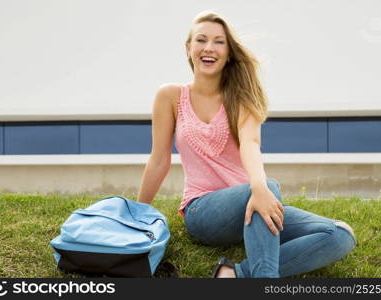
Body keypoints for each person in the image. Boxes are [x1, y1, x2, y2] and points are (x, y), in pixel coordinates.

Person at [137, 10, 356, 278]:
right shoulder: (170, 96)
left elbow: (250, 143)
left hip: (253, 202)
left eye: (219, 41)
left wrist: (259, 187)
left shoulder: (240, 98)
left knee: (340, 234)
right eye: (201, 40)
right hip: (203, 211)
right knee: (267, 188)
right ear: (188, 48)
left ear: (228, 53)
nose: (209, 48)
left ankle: (233, 275)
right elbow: (159, 159)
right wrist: (135, 215)